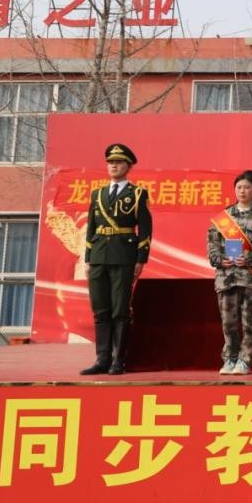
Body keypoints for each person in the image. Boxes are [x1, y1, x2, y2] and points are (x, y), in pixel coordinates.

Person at [81, 143, 152, 376]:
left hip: (124, 256)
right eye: (110, 162)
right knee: (100, 309)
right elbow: (91, 227)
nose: (113, 166)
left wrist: (140, 259)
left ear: (128, 167)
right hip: (99, 256)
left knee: (120, 310)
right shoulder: (97, 194)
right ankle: (102, 359)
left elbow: (145, 230)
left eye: (119, 162)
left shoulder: (137, 194)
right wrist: (88, 258)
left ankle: (118, 360)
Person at [207, 171, 252, 375]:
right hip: (227, 278)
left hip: (251, 278)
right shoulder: (224, 217)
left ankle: (245, 360)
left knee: (249, 322)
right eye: (239, 187)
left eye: (247, 187)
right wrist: (220, 259)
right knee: (228, 322)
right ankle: (230, 358)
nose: (242, 191)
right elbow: (212, 246)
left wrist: (249, 258)